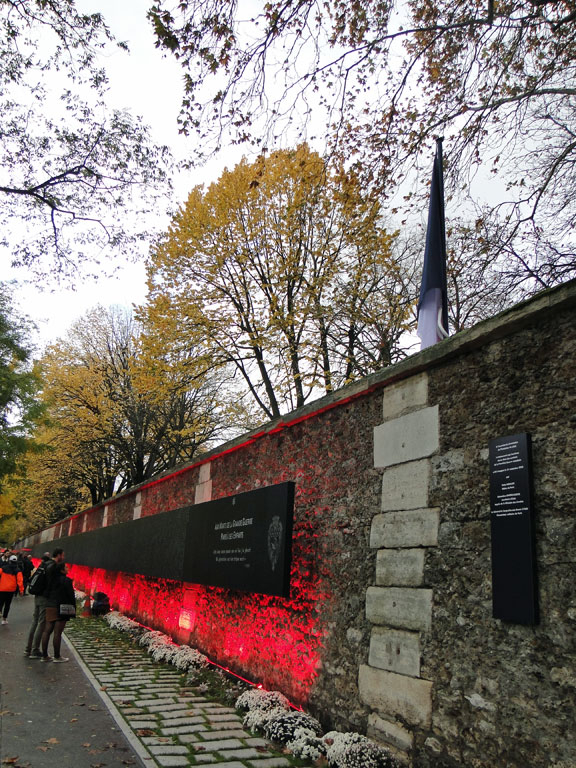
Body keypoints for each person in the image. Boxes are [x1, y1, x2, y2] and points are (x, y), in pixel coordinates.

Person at [41, 560, 75, 663]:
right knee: (57, 632)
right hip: (62, 607)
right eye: (66, 567)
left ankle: (45, 656)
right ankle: (57, 656)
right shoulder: (66, 581)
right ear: (62, 570)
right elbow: (70, 596)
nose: (68, 569)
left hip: (50, 605)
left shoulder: (51, 580)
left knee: (47, 630)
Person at [24, 552, 53, 658]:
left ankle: (28, 649)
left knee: (35, 622)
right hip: (43, 598)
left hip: (37, 596)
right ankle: (35, 650)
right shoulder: (49, 568)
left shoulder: (41, 567)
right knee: (41, 623)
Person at [0, 554, 24, 623]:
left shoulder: (3, 568)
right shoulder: (18, 570)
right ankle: (4, 619)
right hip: (11, 590)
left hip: (2, 588)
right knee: (7, 604)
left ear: (9, 561)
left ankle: (0, 611)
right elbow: (20, 581)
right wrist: (21, 590)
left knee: (0, 602)